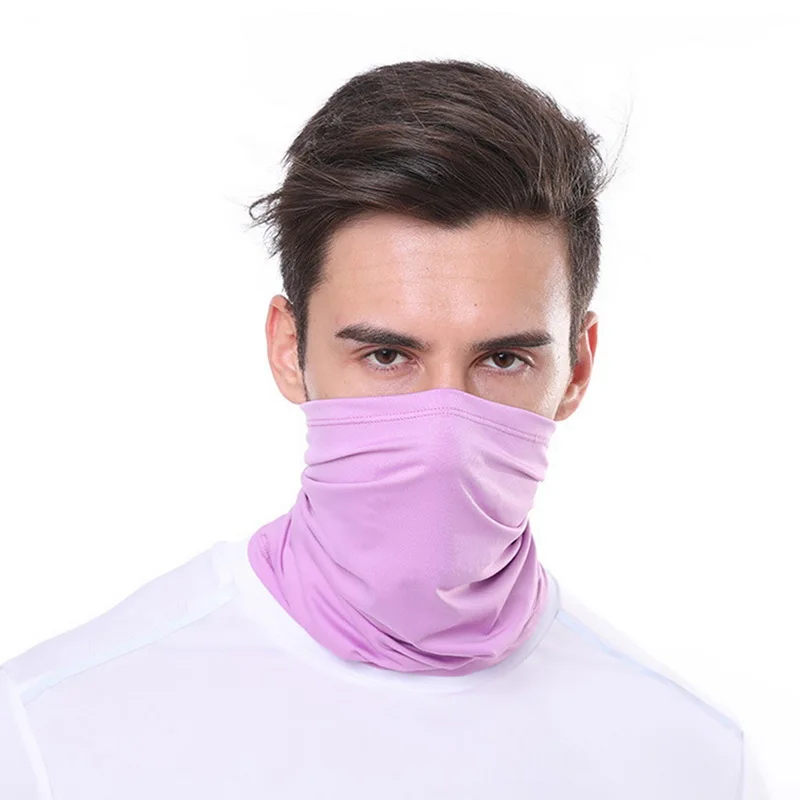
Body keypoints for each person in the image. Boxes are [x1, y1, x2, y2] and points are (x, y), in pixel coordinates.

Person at [0, 58, 769, 799]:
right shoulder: (53, 731)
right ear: (289, 350)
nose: (442, 434)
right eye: (387, 355)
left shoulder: (692, 761)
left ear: (578, 367)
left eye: (503, 359)